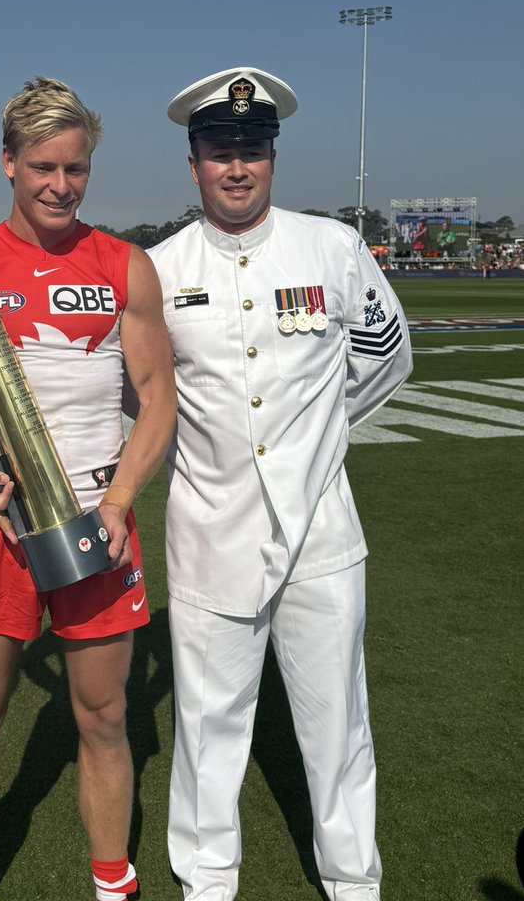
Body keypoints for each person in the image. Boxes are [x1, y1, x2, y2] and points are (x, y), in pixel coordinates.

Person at [0, 77, 175, 901]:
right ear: (9, 163)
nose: (61, 185)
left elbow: (158, 398)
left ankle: (111, 885)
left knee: (102, 717)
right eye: (44, 167)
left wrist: (121, 501)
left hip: (98, 519)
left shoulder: (125, 264)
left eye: (78, 168)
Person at [146, 68, 412, 901]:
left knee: (337, 726)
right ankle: (208, 882)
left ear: (272, 156)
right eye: (220, 151)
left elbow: (385, 357)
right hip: (208, 531)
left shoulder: (331, 247)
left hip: (323, 537)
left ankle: (352, 880)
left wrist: (316, 438)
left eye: (252, 150)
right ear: (192, 162)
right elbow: (142, 397)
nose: (237, 167)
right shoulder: (156, 269)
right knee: (208, 729)